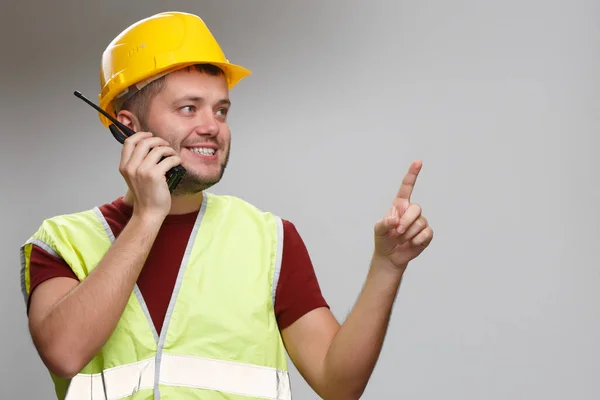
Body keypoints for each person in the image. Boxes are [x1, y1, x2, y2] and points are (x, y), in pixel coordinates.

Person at [19, 11, 434, 400]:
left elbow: (338, 384)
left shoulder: (269, 239)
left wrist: (387, 267)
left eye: (221, 110)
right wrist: (148, 215)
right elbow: (64, 352)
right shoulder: (62, 242)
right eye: (188, 108)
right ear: (127, 128)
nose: (212, 127)